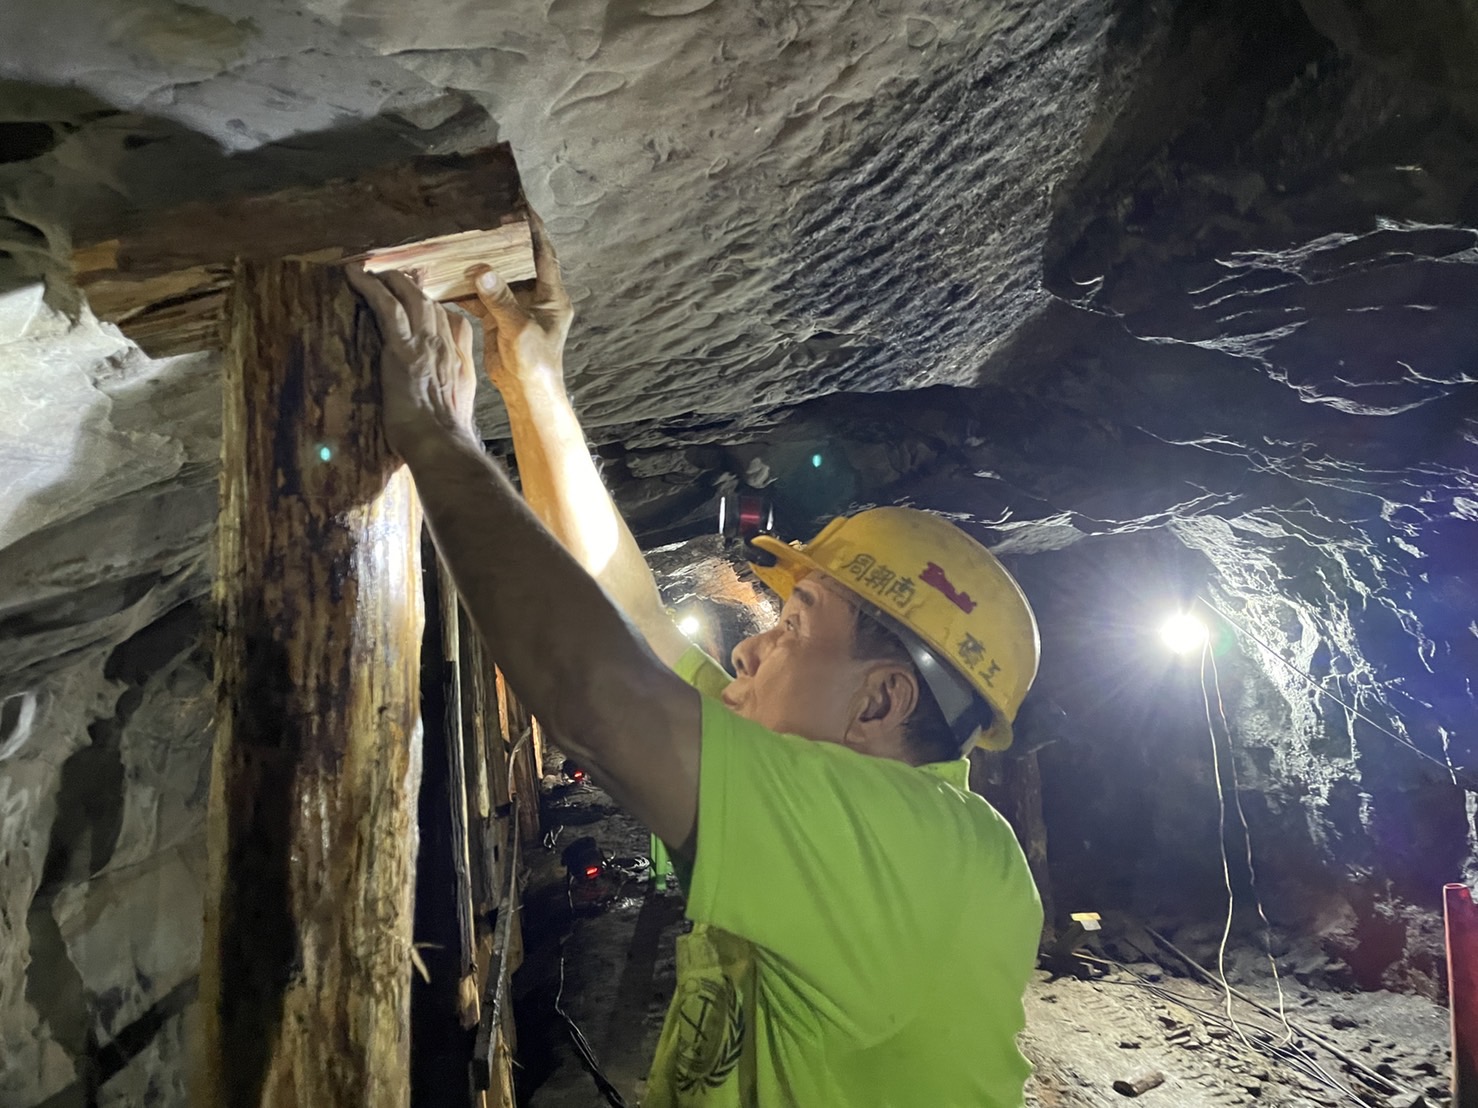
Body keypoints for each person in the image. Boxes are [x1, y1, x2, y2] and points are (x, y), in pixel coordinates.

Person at [347, 213, 1044, 1108]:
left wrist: (439, 437)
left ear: (880, 702)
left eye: (794, 625)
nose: (749, 644)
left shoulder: (926, 850)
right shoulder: (817, 777)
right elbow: (625, 620)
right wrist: (531, 383)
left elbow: (596, 699)